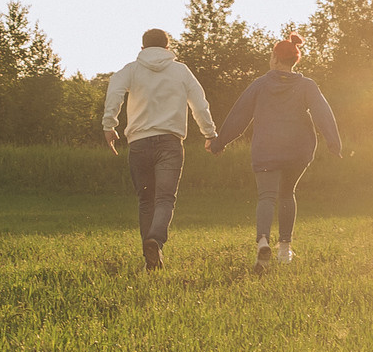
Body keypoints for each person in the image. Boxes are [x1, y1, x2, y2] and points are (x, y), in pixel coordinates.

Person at [208, 31, 343, 267]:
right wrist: (333, 142)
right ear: (295, 60)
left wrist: (220, 142)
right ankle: (285, 249)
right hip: (298, 150)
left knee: (266, 196)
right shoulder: (307, 85)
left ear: (274, 58)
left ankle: (263, 242)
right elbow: (323, 112)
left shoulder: (260, 85)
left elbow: (240, 116)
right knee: (287, 193)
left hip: (267, 149)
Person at [103, 28, 217, 270]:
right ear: (168, 48)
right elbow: (199, 102)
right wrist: (209, 133)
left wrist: (109, 125)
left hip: (139, 143)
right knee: (165, 198)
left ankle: (151, 259)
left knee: (146, 201)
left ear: (142, 48)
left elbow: (114, 91)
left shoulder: (132, 69)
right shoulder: (180, 70)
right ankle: (156, 240)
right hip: (170, 143)